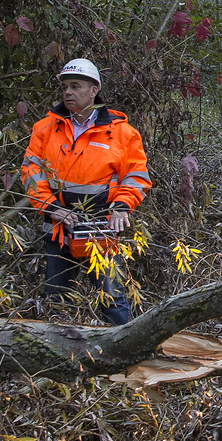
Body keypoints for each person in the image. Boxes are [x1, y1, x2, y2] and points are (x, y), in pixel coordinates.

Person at [19, 59, 151, 324]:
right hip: (58, 228)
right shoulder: (44, 129)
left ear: (94, 90)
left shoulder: (122, 133)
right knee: (54, 299)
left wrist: (122, 206)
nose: (68, 92)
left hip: (100, 229)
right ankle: (55, 358)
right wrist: (51, 208)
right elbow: (31, 174)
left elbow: (136, 175)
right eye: (65, 86)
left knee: (112, 299)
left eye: (75, 86)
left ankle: (125, 352)